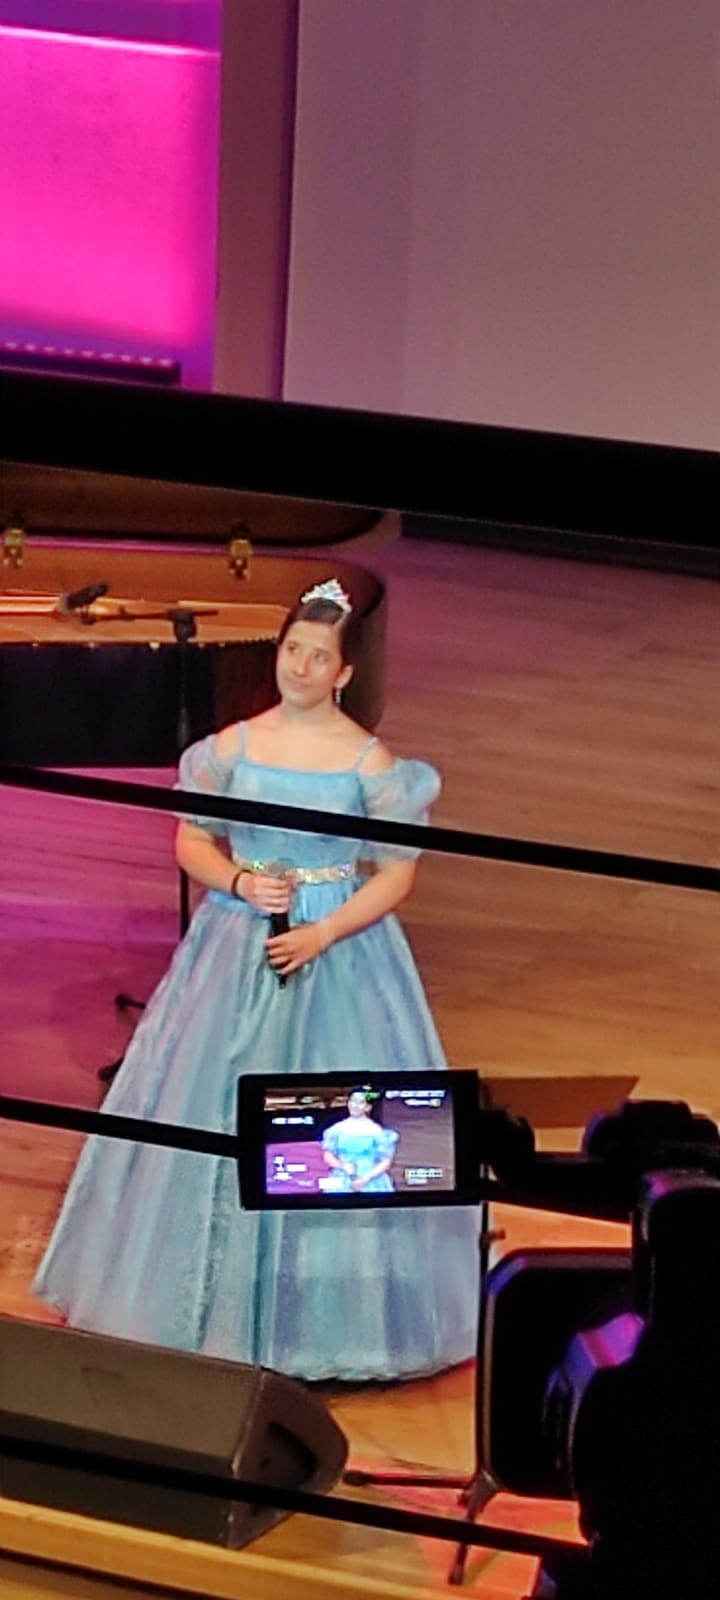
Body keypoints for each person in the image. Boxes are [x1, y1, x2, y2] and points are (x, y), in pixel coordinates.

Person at [33, 579, 479, 1382]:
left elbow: (396, 872)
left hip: (337, 951)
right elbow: (191, 842)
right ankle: (198, 1304)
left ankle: (331, 1321)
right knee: (205, 1103)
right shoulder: (231, 749)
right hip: (237, 943)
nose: (300, 667)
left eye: (318, 657)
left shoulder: (371, 764)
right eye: (292, 651)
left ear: (344, 673)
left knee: (343, 1115)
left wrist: (324, 931)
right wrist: (239, 882)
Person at [321, 1087, 399, 1194]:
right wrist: (342, 1166)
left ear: (368, 1107)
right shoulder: (335, 1130)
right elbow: (328, 1155)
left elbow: (386, 1161)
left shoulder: (378, 1132)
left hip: (371, 1180)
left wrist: (366, 1179)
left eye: (360, 1103)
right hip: (342, 1177)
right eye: (352, 1101)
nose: (355, 1106)